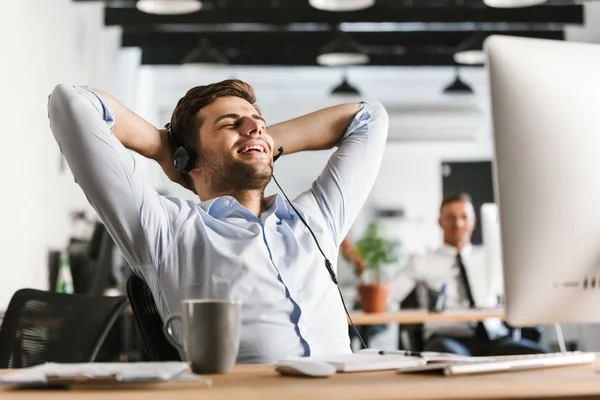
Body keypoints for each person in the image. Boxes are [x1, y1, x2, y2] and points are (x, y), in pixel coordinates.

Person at [47, 81, 388, 364]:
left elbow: (369, 117)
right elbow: (71, 102)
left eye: (258, 121)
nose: (254, 127)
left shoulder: (314, 221)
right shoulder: (166, 229)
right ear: (188, 156)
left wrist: (259, 142)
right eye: (229, 124)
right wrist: (165, 150)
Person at [390, 193, 547, 356]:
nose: (458, 223)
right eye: (450, 217)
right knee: (449, 356)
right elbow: (387, 296)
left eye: (464, 217)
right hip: (448, 337)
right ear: (440, 222)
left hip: (494, 337)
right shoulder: (422, 261)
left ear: (473, 222)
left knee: (540, 355)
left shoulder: (491, 257)